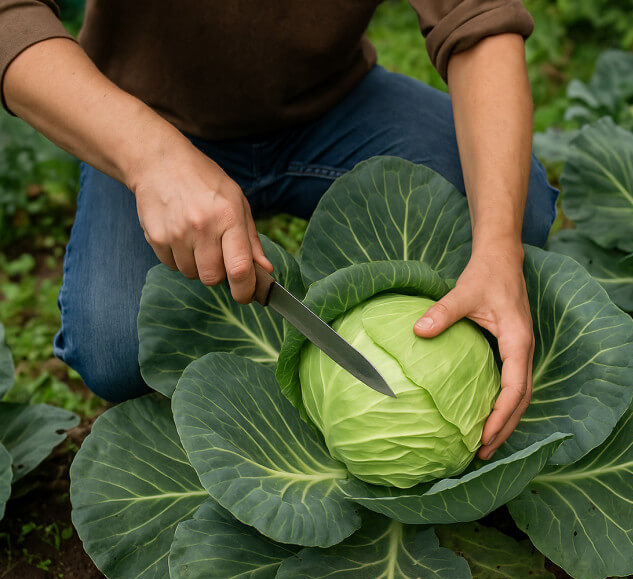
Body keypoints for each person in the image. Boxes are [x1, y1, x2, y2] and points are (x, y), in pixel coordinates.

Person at [0, 1, 558, 460]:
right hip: (141, 118)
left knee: (516, 212)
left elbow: (479, 22)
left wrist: (498, 249)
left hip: (334, 108)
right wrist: (151, 159)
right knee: (120, 347)